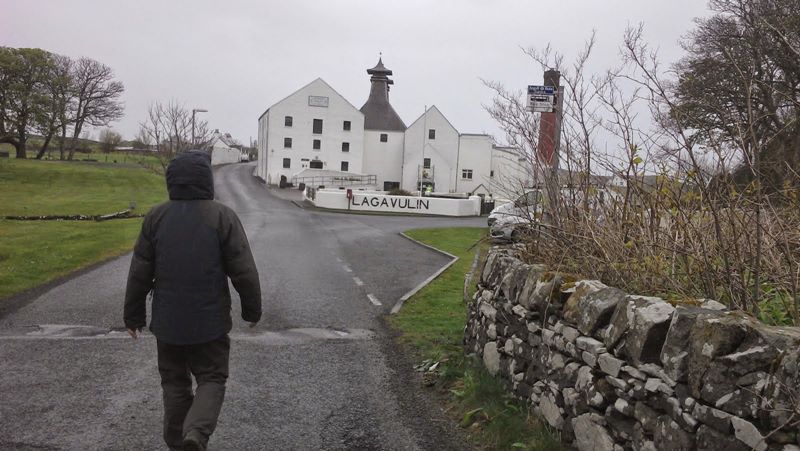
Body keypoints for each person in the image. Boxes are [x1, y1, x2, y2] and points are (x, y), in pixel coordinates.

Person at [124, 151, 262, 451]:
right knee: (212, 378)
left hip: (168, 323)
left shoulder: (155, 218)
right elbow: (243, 269)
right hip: (209, 324)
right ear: (206, 179)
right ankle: (195, 437)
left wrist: (133, 317)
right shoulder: (222, 217)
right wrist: (252, 310)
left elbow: (140, 272)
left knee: (174, 383)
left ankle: (178, 442)